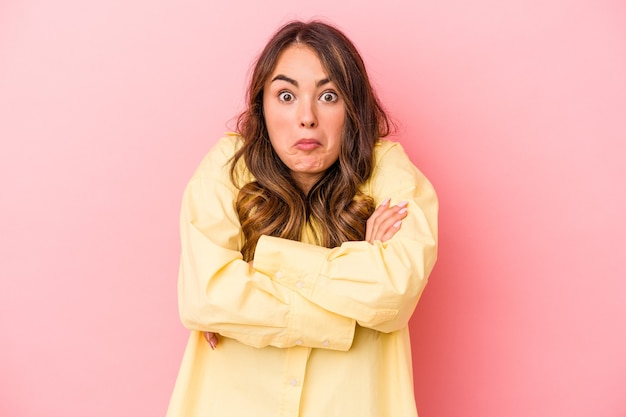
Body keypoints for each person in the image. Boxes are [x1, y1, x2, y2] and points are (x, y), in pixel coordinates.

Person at [166, 20, 438, 417]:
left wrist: (269, 263)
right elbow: (206, 298)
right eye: (286, 95)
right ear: (262, 104)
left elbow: (393, 292)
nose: (307, 117)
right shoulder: (227, 167)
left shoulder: (390, 171)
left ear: (353, 108)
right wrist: (355, 284)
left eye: (329, 96)